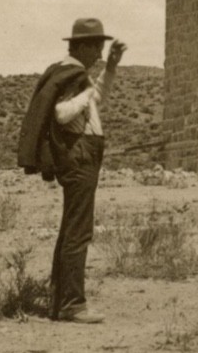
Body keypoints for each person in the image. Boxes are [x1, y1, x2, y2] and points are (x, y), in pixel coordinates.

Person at [17, 17, 124, 324]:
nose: (101, 55)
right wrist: (86, 94)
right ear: (84, 46)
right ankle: (72, 304)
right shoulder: (73, 74)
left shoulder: (73, 75)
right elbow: (63, 114)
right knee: (78, 232)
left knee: (70, 230)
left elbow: (95, 98)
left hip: (80, 157)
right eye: (99, 48)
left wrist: (111, 69)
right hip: (80, 158)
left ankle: (60, 301)